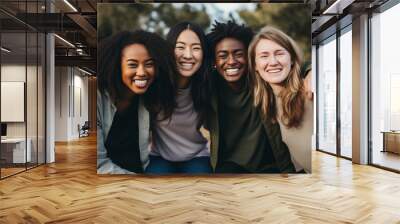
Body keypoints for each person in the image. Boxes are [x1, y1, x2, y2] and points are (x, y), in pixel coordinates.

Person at [206, 20, 295, 173]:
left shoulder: (262, 79)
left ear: (249, 57)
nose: (231, 61)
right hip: (227, 168)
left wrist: (309, 71)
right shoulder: (208, 88)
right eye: (223, 56)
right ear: (214, 61)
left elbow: (294, 66)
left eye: (238, 54)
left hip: (270, 167)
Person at [97, 30, 176, 174]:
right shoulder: (97, 99)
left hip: (143, 172)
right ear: (116, 66)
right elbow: (99, 165)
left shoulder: (151, 98)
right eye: (133, 65)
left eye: (149, 64)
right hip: (112, 180)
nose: (142, 72)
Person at [145, 22, 212, 174]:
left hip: (197, 156)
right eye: (180, 47)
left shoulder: (208, 86)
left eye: (196, 48)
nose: (188, 55)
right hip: (159, 156)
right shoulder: (154, 85)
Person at [248, 26, 313, 173]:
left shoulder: (311, 91)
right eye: (264, 56)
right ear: (255, 66)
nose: (273, 62)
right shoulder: (267, 107)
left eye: (279, 53)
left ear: (292, 59)